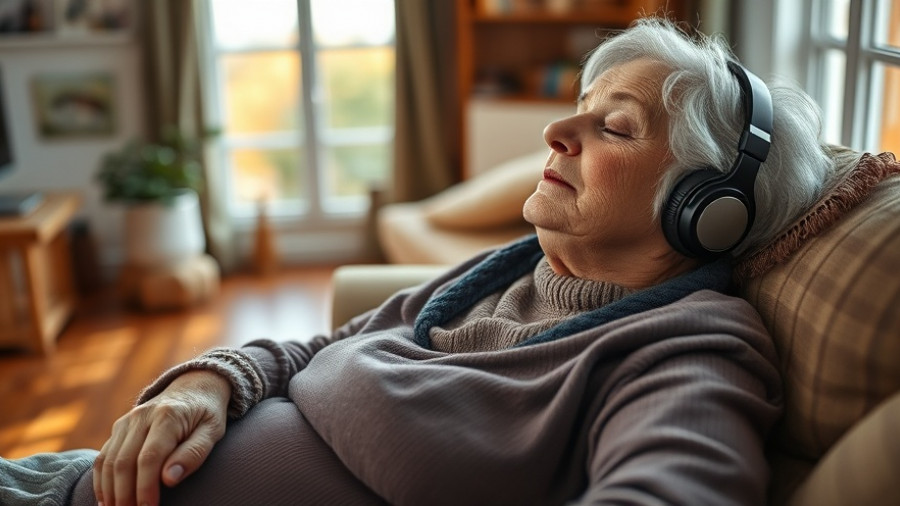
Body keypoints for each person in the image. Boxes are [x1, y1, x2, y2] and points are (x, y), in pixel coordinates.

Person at [2, 17, 850, 506]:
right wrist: (205, 384)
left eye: (615, 127)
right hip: (78, 481)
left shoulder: (688, 348)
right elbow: (307, 353)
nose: (558, 133)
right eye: (579, 109)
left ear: (706, 211)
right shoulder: (505, 273)